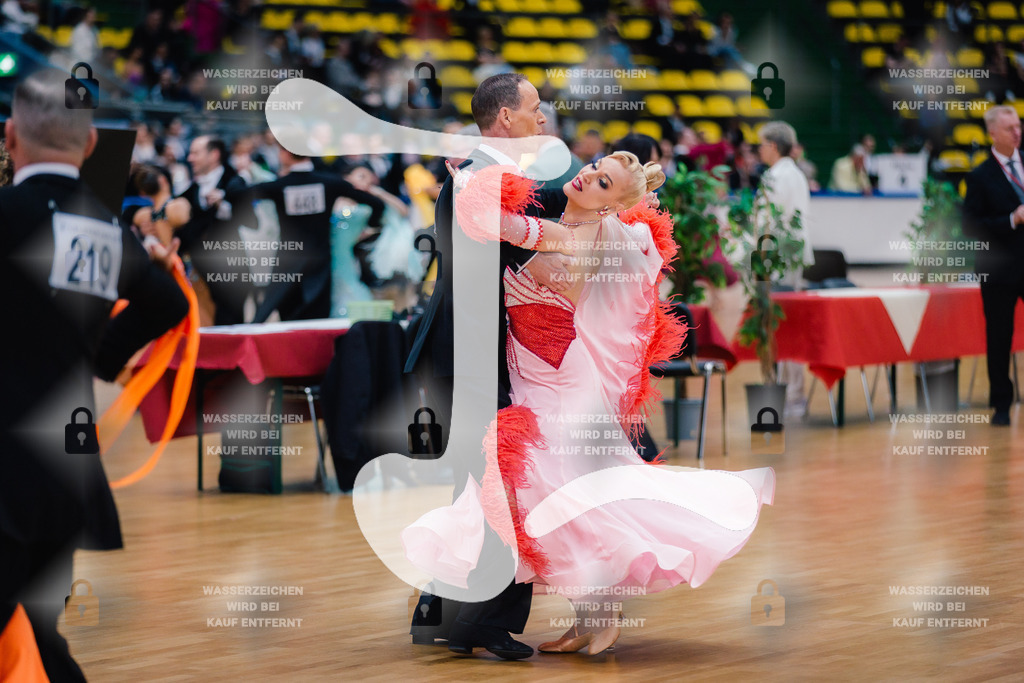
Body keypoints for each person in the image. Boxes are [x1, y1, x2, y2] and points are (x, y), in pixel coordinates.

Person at [404, 151, 775, 656]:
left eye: (602, 182)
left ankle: (601, 614)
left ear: (608, 207)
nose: (586, 176)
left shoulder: (571, 238)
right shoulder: (571, 227)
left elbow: (498, 226)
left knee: (563, 496)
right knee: (558, 496)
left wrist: (467, 180)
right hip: (538, 378)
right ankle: (587, 618)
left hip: (558, 385)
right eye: (595, 167)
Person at [0, 68, 188, 681]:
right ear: (89, 144)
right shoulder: (107, 231)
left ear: (10, 137)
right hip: (65, 466)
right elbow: (168, 302)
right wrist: (101, 356)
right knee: (37, 628)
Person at [405, 72, 572, 660]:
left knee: (476, 487)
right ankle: (481, 620)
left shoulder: (477, 171)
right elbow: (532, 233)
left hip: (462, 351)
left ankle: (440, 613)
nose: (542, 119)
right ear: (506, 117)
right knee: (503, 484)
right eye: (533, 108)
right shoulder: (485, 177)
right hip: (471, 353)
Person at [226, 139, 386, 321]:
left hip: (288, 261)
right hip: (320, 263)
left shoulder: (279, 186)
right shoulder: (329, 183)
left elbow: (235, 194)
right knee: (317, 320)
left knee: (286, 318)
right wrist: (365, 229)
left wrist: (244, 174)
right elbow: (377, 204)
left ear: (286, 153)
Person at [962, 104, 1024, 426]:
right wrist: (1012, 219)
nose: (1017, 132)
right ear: (992, 133)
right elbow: (971, 226)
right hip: (999, 269)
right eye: (1010, 128)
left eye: (1018, 126)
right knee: (999, 337)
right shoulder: (980, 176)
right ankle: (1001, 404)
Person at [757, 121, 813, 416]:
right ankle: (791, 393)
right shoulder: (796, 174)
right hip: (790, 257)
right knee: (785, 325)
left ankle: (790, 394)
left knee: (781, 327)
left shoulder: (776, 176)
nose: (759, 150)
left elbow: (767, 222)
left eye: (761, 144)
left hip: (776, 258)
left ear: (773, 146)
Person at [176, 135, 249, 325]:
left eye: (195, 153)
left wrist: (223, 206)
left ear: (214, 155)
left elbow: (251, 221)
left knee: (229, 324)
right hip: (198, 273)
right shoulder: (189, 190)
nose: (190, 158)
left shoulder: (235, 183)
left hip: (231, 270)